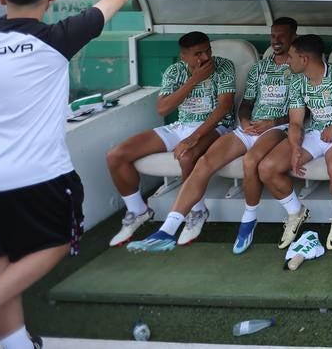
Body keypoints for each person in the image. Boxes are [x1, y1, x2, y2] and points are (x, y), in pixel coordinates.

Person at [0, 0, 140, 349]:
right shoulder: (55, 40)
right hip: (35, 175)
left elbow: (30, 6)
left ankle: (16, 345)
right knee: (55, 243)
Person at [128, 18, 300, 253]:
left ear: (294, 38)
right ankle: (167, 229)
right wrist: (244, 120)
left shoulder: (299, 68)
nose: (276, 40)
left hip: (278, 128)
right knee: (204, 163)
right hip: (248, 128)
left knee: (251, 161)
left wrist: (273, 122)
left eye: (282, 36)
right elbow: (246, 102)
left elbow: (303, 111)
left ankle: (248, 219)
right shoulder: (260, 68)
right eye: (273, 35)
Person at [105, 30, 236, 247]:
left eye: (207, 51)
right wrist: (194, 80)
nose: (205, 58)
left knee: (186, 156)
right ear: (183, 55)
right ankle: (138, 211)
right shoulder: (174, 71)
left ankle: (197, 211)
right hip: (180, 126)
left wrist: (193, 138)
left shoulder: (223, 66)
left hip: (217, 126)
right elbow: (162, 108)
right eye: (197, 54)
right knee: (116, 156)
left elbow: (224, 108)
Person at [259, 34, 332, 252]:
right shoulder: (297, 80)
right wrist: (295, 147)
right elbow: (296, 121)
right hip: (315, 132)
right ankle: (295, 212)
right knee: (267, 168)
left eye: (292, 56)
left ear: (304, 59)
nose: (288, 60)